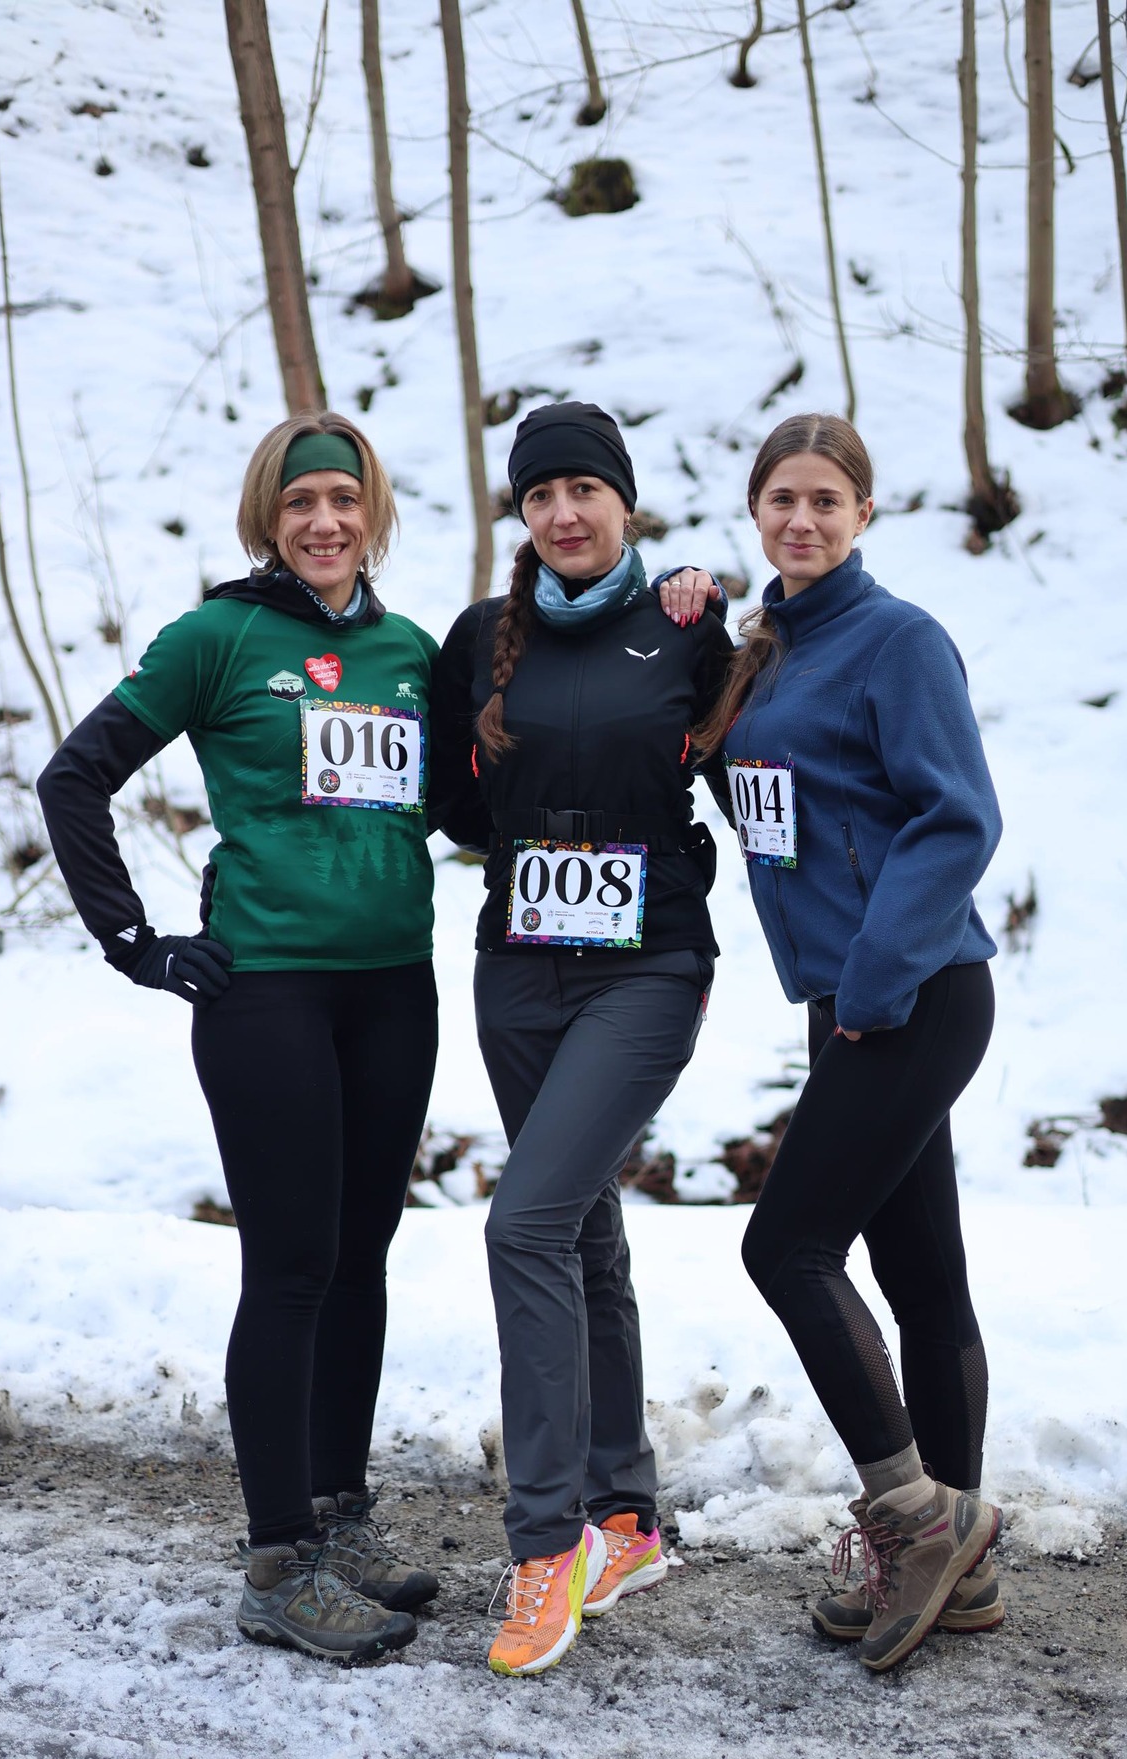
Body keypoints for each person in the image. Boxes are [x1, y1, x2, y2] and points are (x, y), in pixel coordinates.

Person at [38, 411, 463, 1665]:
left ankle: (338, 1521)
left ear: (372, 513)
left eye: (344, 499)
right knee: (291, 1265)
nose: (324, 521)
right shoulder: (217, 637)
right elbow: (74, 776)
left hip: (395, 988)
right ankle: (277, 1563)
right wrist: (136, 940)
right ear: (268, 519)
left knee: (363, 1257)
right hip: (267, 990)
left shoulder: (407, 651)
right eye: (299, 503)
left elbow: (455, 803)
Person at [682, 412, 1004, 1675]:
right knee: (921, 1275)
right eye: (783, 499)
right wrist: (694, 635)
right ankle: (960, 1563)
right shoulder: (767, 652)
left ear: (865, 514)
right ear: (756, 511)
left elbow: (956, 817)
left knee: (786, 1245)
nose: (803, 519)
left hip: (913, 989)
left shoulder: (899, 639)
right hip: (850, 996)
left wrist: (873, 976)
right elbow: (767, 804)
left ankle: (917, 1521)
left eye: (827, 499)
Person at [431, 402, 731, 1676]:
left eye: (584, 490)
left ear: (625, 500)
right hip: (517, 969)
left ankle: (545, 1544)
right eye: (540, 494)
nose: (563, 512)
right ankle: (626, 1515)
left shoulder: (687, 625)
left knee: (526, 1223)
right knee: (582, 1228)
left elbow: (762, 763)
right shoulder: (477, 640)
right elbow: (453, 801)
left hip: (648, 967)